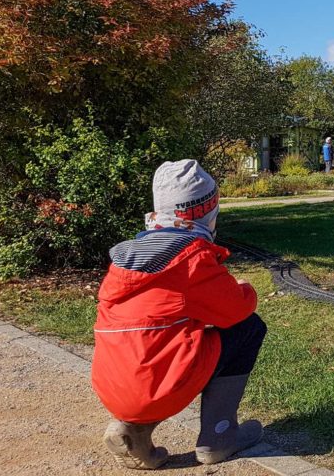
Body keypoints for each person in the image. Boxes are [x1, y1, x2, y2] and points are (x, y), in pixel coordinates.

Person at [91, 159, 267, 469]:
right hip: (158, 387)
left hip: (113, 386)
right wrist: (245, 287)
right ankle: (219, 437)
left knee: (161, 347)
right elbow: (236, 309)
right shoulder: (190, 259)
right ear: (206, 211)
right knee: (248, 328)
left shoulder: (126, 259)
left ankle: (133, 429)